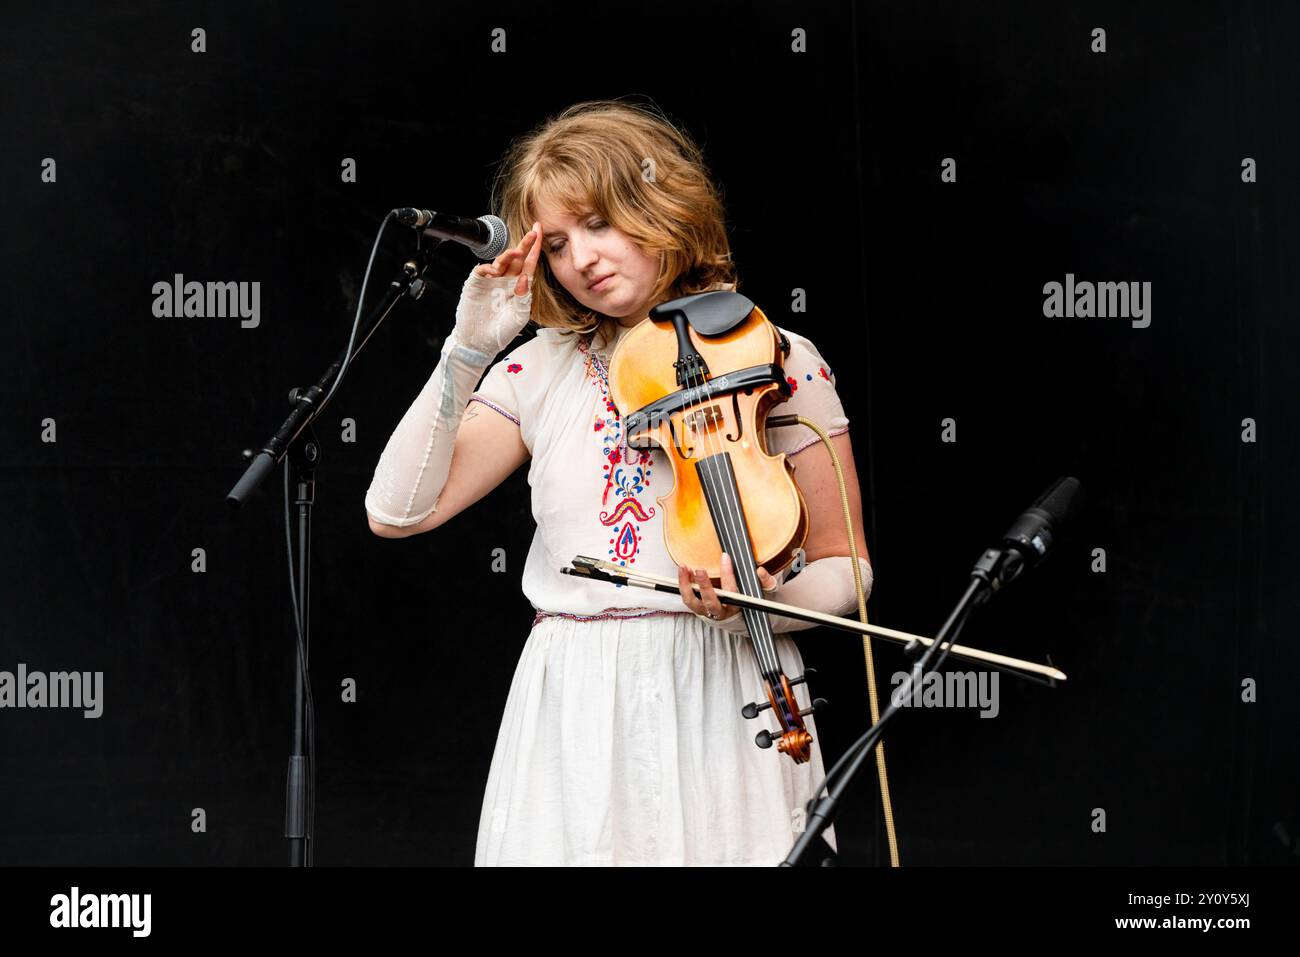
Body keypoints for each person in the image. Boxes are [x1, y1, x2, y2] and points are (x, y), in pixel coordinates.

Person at [365, 99, 873, 866]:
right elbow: (396, 511)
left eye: (600, 223)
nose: (583, 261)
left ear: (659, 205)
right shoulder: (539, 366)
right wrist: (465, 351)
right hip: (574, 697)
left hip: (726, 684)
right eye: (560, 244)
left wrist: (765, 604)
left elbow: (848, 565)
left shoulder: (773, 356)